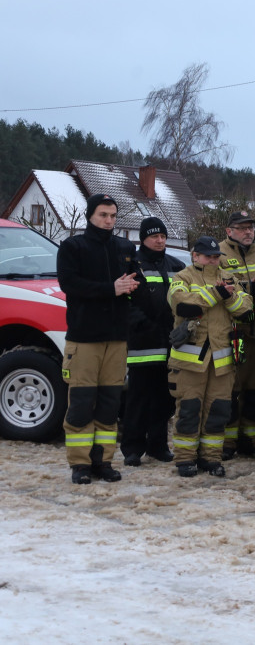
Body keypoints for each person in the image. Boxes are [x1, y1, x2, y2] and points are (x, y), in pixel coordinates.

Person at [57, 193, 138, 484]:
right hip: (85, 338)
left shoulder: (124, 247)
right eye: (104, 215)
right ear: (90, 215)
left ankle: (103, 461)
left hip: (116, 338)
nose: (109, 221)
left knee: (109, 403)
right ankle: (79, 465)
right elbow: (70, 284)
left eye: (113, 216)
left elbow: (134, 280)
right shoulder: (72, 246)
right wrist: (110, 288)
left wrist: (133, 286)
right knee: (80, 402)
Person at [167, 236, 253, 477]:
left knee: (218, 412)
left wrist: (229, 296)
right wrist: (216, 294)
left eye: (216, 256)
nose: (213, 260)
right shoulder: (182, 277)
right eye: (208, 256)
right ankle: (185, 459)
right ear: (195, 256)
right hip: (189, 362)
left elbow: (246, 310)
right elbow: (182, 306)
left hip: (222, 362)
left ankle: (211, 458)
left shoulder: (229, 279)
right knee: (188, 410)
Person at [122, 217, 185, 466]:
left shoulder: (177, 265)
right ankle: (132, 449)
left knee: (164, 400)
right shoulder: (132, 265)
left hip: (172, 344)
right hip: (143, 344)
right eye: (153, 236)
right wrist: (143, 324)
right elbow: (125, 303)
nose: (159, 241)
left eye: (163, 236)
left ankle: (158, 446)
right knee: (138, 399)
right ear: (143, 238)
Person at [219, 210, 255, 460]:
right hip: (232, 333)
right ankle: (227, 443)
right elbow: (222, 286)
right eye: (242, 228)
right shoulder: (218, 253)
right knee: (231, 389)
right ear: (229, 231)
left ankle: (251, 441)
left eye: (250, 227)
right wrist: (250, 287)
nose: (248, 232)